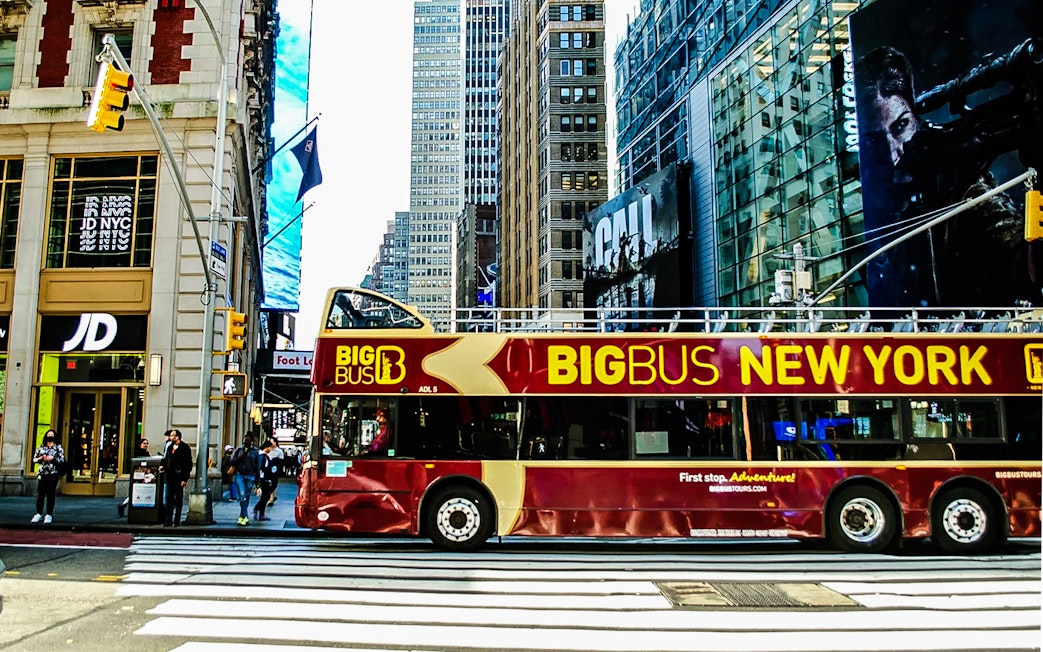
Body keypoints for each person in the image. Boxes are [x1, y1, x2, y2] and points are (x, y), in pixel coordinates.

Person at [31, 430, 66, 524]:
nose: (50, 436)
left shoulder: (58, 448)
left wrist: (53, 459)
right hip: (42, 473)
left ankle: (49, 514)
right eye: (48, 435)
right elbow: (34, 459)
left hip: (53, 472)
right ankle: (38, 513)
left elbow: (62, 460)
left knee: (50, 494)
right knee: (40, 494)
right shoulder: (41, 447)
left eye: (52, 435)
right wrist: (41, 458)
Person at [159, 429, 192, 527]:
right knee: (169, 498)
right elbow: (166, 459)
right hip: (169, 476)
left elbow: (188, 464)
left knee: (178, 499)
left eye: (172, 435)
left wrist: (184, 479)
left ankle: (176, 520)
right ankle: (168, 520)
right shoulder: (170, 447)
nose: (170, 437)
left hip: (179, 476)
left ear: (177, 437)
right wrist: (163, 466)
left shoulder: (185, 448)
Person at [117, 437, 153, 517]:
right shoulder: (138, 453)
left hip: (143, 475)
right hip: (138, 475)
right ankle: (124, 504)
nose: (146, 445)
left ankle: (124, 504)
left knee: (137, 492)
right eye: (144, 443)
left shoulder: (146, 453)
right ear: (140, 444)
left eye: (147, 443)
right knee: (136, 492)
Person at [229, 434, 260, 526]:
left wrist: (258, 483)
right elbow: (232, 462)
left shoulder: (255, 452)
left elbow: (257, 467)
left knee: (246, 496)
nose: (246, 442)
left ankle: (242, 516)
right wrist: (241, 457)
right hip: (240, 475)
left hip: (251, 475)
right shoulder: (239, 450)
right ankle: (245, 516)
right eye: (245, 440)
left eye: (248, 440)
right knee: (242, 496)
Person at [253, 439, 275, 521]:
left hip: (264, 478)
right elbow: (261, 467)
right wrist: (269, 469)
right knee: (265, 496)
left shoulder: (263, 456)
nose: (271, 449)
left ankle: (261, 513)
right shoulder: (263, 456)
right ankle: (257, 509)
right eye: (270, 447)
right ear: (266, 447)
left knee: (265, 496)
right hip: (263, 478)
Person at [266, 439, 285, 507]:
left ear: (275, 443)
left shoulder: (279, 451)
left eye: (272, 442)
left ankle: (272, 497)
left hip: (275, 469)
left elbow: (281, 462)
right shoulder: (268, 450)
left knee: (274, 483)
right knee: (269, 483)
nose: (271, 443)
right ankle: (271, 498)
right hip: (268, 469)